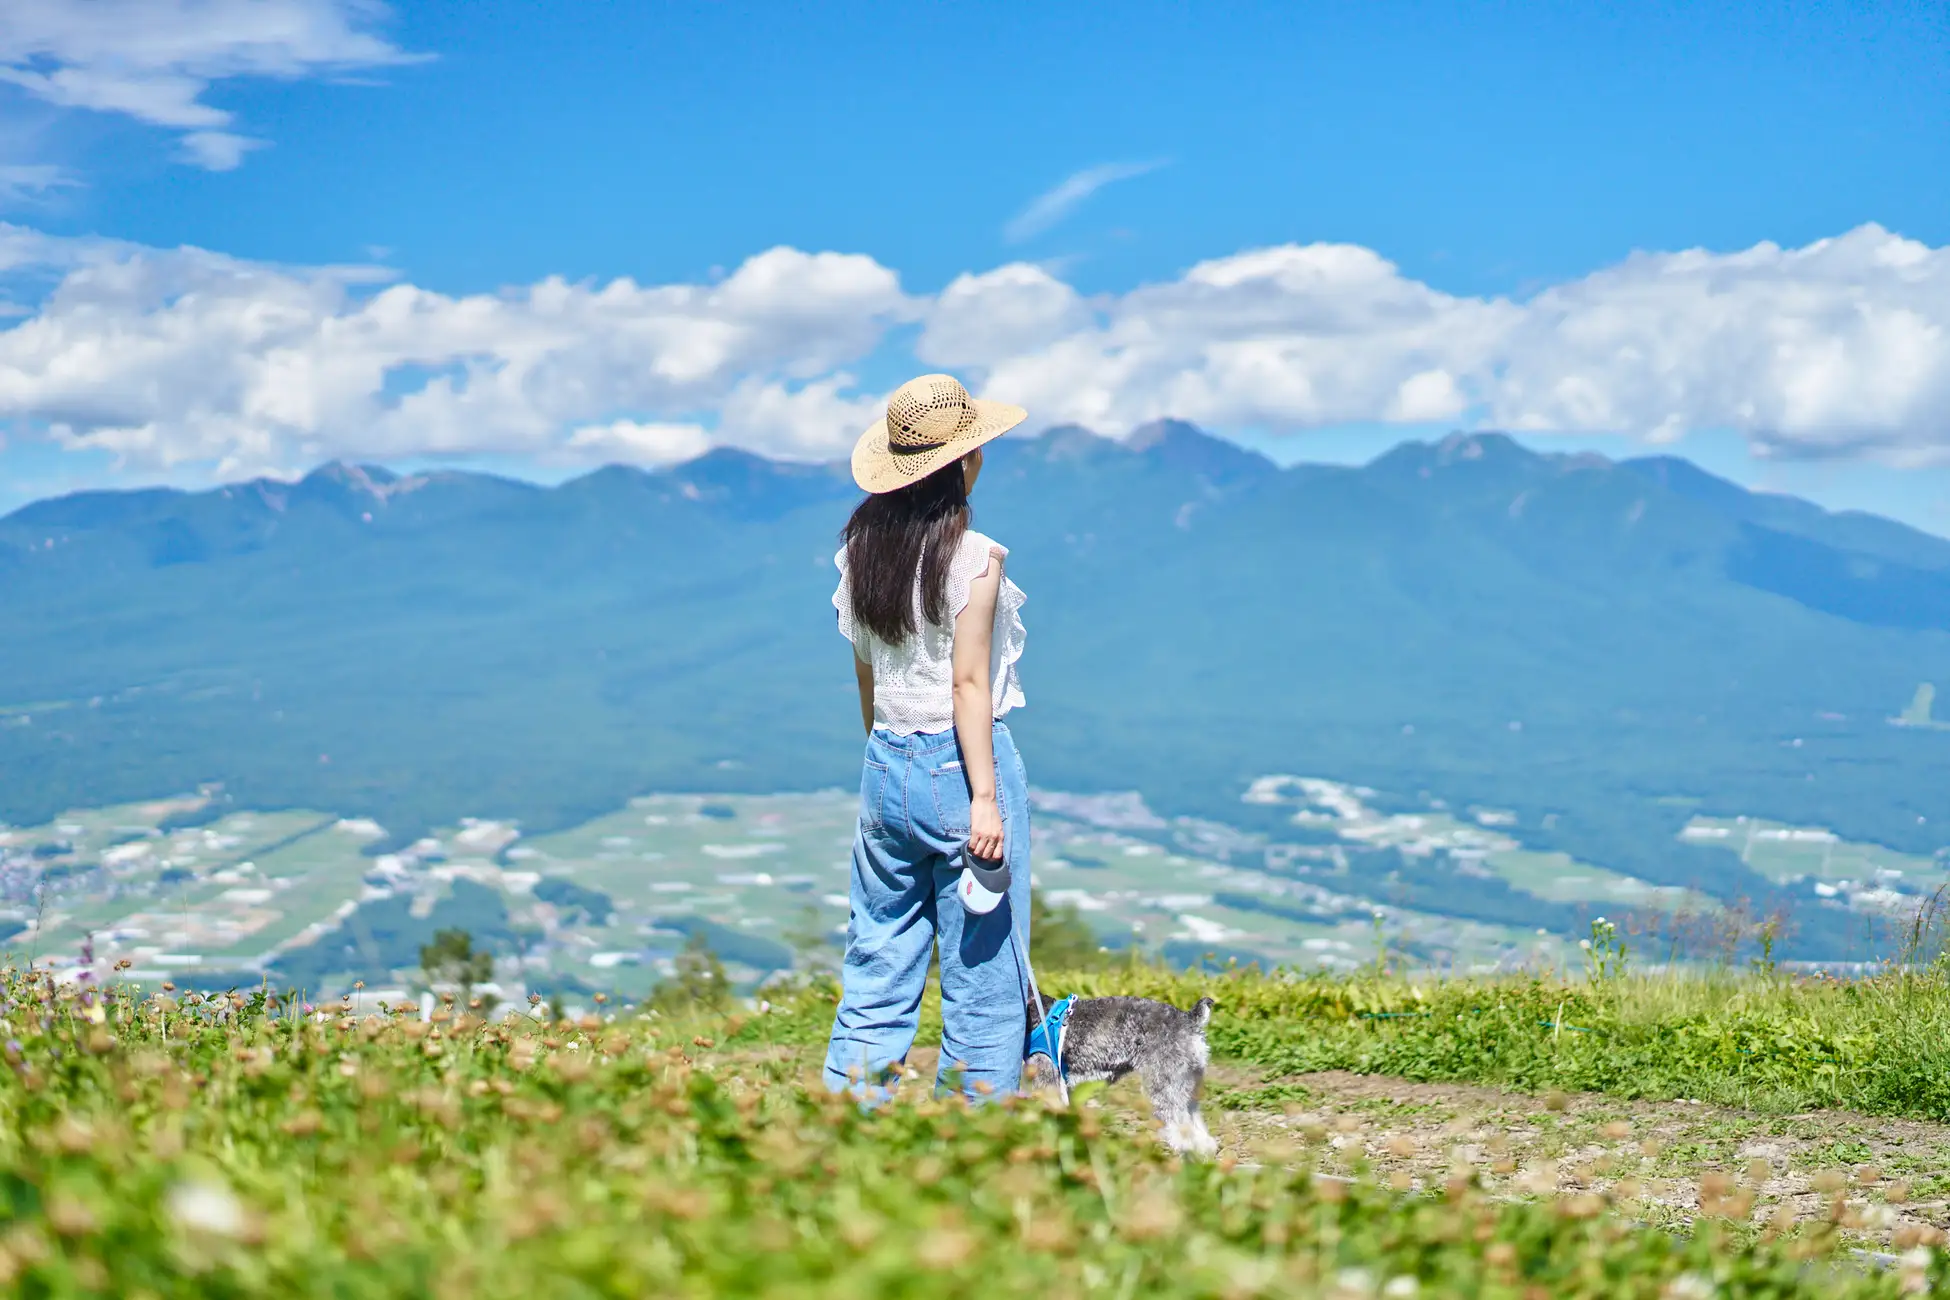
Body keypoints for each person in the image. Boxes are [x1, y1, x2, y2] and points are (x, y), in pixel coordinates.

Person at [821, 373, 1032, 1103]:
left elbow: (866, 677)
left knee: (878, 956)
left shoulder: (861, 554)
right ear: (963, 462)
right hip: (960, 765)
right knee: (983, 975)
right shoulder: (975, 559)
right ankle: (966, 1151)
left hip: (885, 763)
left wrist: (885, 766)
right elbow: (968, 685)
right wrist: (984, 800)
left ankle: (847, 1119)